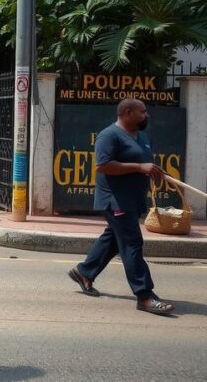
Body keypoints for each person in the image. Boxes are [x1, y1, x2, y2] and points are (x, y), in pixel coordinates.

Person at [68, 99, 174, 315]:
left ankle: (84, 272)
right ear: (127, 113)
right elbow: (103, 165)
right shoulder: (109, 135)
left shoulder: (141, 136)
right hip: (115, 200)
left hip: (132, 199)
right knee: (132, 243)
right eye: (143, 112)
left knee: (115, 239)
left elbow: (143, 165)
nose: (147, 115)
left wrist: (153, 173)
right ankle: (145, 296)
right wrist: (139, 166)